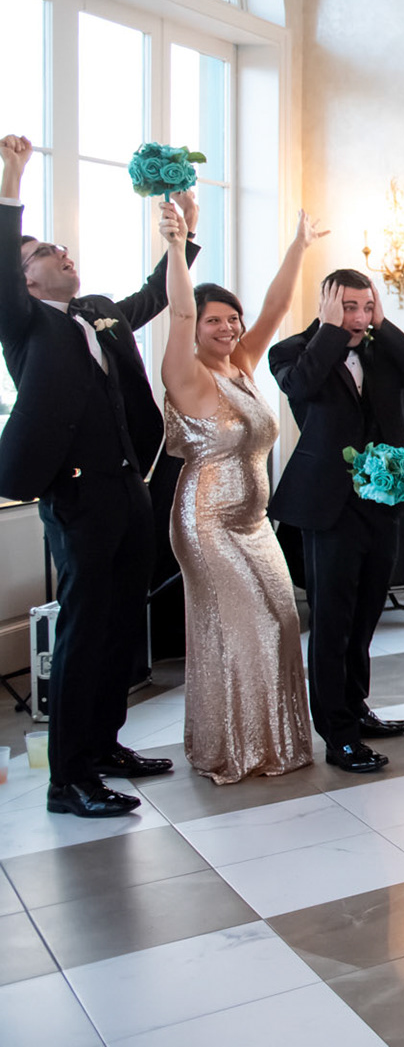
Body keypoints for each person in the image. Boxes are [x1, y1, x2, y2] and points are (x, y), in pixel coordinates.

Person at [0, 135, 192, 816]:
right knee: (83, 632)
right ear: (23, 278)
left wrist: (182, 234)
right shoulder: (25, 327)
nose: (61, 253)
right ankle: (67, 777)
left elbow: (153, 297)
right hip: (77, 496)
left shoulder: (99, 313)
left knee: (119, 624)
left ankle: (107, 743)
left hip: (127, 488)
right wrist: (12, 181)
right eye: (43, 252)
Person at [158, 203, 318, 784]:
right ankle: (235, 747)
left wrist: (299, 246)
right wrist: (177, 247)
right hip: (206, 522)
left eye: (233, 320)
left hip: (254, 523)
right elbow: (176, 313)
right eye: (215, 322)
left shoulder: (242, 364)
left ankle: (272, 739)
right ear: (195, 328)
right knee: (245, 626)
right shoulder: (186, 372)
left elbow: (275, 307)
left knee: (281, 620)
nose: (228, 329)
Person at [268, 269, 404, 774]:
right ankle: (337, 734)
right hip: (328, 504)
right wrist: (331, 330)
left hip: (381, 500)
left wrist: (382, 324)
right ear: (326, 303)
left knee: (365, 614)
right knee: (333, 621)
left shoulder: (380, 345)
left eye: (366, 307)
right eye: (349, 307)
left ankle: (357, 708)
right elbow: (300, 385)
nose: (358, 317)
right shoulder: (294, 350)